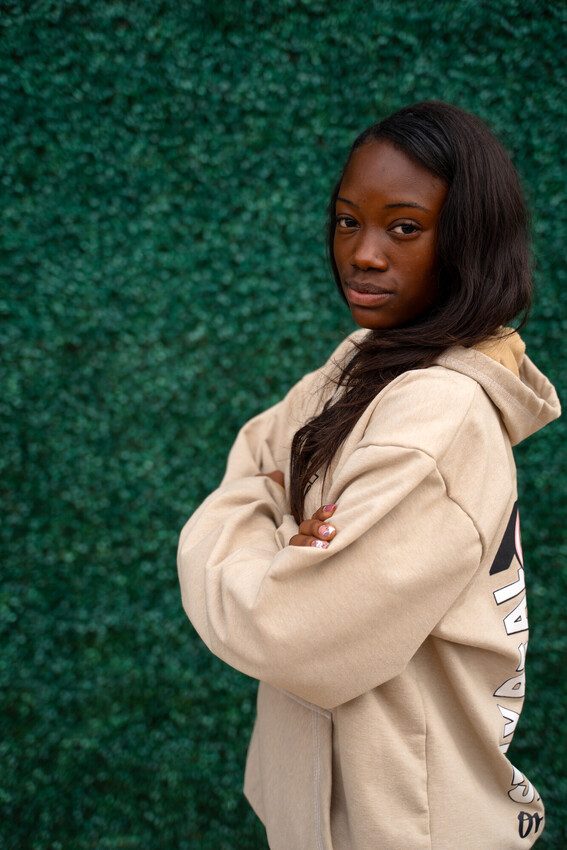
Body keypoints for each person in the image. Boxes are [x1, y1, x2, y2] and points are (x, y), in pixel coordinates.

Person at [176, 100, 561, 849]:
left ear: (469, 240)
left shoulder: (438, 418)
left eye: (404, 227)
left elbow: (283, 629)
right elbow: (257, 452)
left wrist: (260, 529)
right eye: (348, 220)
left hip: (404, 829)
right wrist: (289, 535)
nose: (363, 253)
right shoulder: (364, 360)